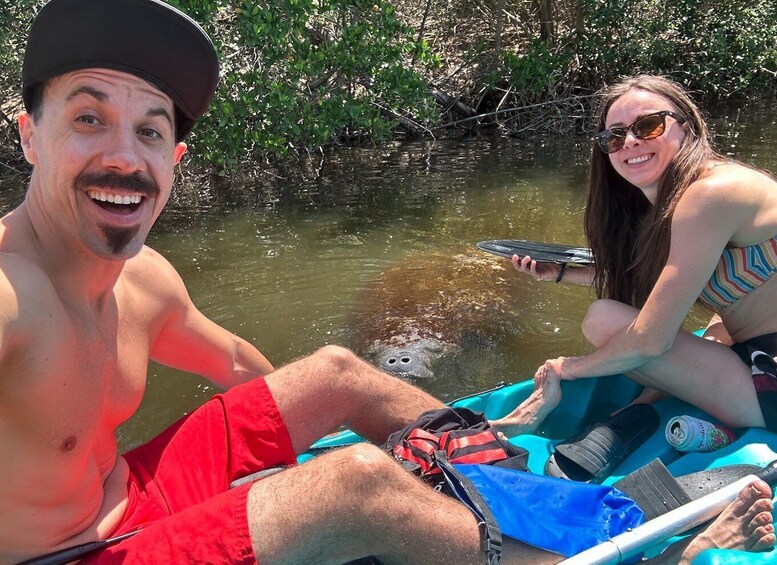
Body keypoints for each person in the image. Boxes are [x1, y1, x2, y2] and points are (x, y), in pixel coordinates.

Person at [1, 1, 771, 560]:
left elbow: (244, 373)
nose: (125, 158)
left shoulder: (142, 276)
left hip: (128, 491)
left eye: (151, 130)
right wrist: (326, 496)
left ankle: (539, 507)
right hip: (70, 553)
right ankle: (574, 557)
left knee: (336, 373)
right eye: (89, 118)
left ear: (175, 160)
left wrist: (283, 477)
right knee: (354, 484)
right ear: (30, 134)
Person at [492, 74, 777, 557]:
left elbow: (649, 338)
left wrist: (566, 369)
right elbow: (664, 280)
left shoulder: (708, 195)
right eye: (613, 136)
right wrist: (559, 273)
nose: (629, 143)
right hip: (752, 345)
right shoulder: (688, 196)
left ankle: (635, 414)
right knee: (691, 326)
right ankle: (641, 410)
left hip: (769, 367)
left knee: (606, 321)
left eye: (647, 126)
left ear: (685, 127)